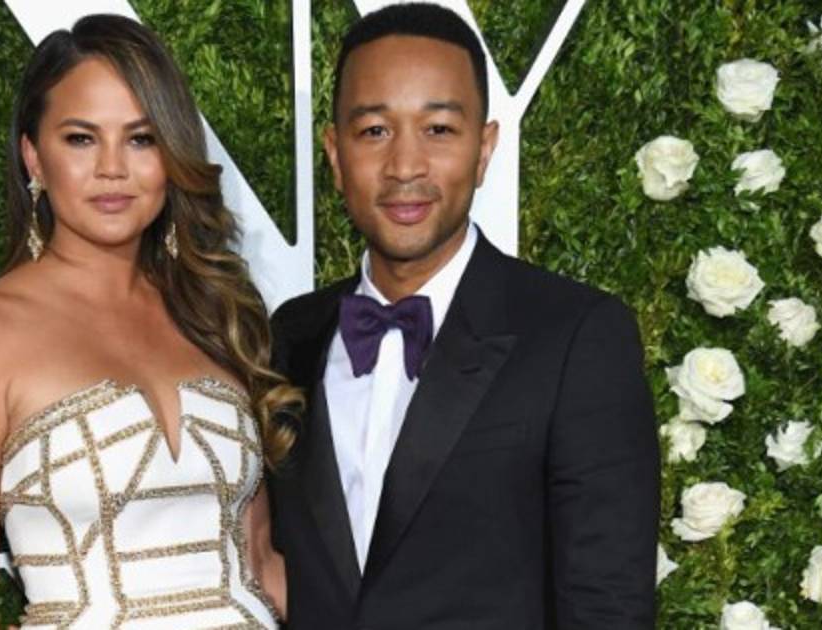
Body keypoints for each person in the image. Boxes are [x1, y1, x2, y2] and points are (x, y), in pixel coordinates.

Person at [268, 3, 660, 628]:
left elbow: (608, 606)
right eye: (374, 131)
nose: (405, 167)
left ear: (484, 149)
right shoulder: (291, 335)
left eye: (439, 129)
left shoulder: (576, 337)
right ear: (335, 155)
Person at [0, 14, 297, 629]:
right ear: (33, 157)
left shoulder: (215, 313)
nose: (112, 168)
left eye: (141, 139)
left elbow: (259, 563)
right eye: (81, 139)